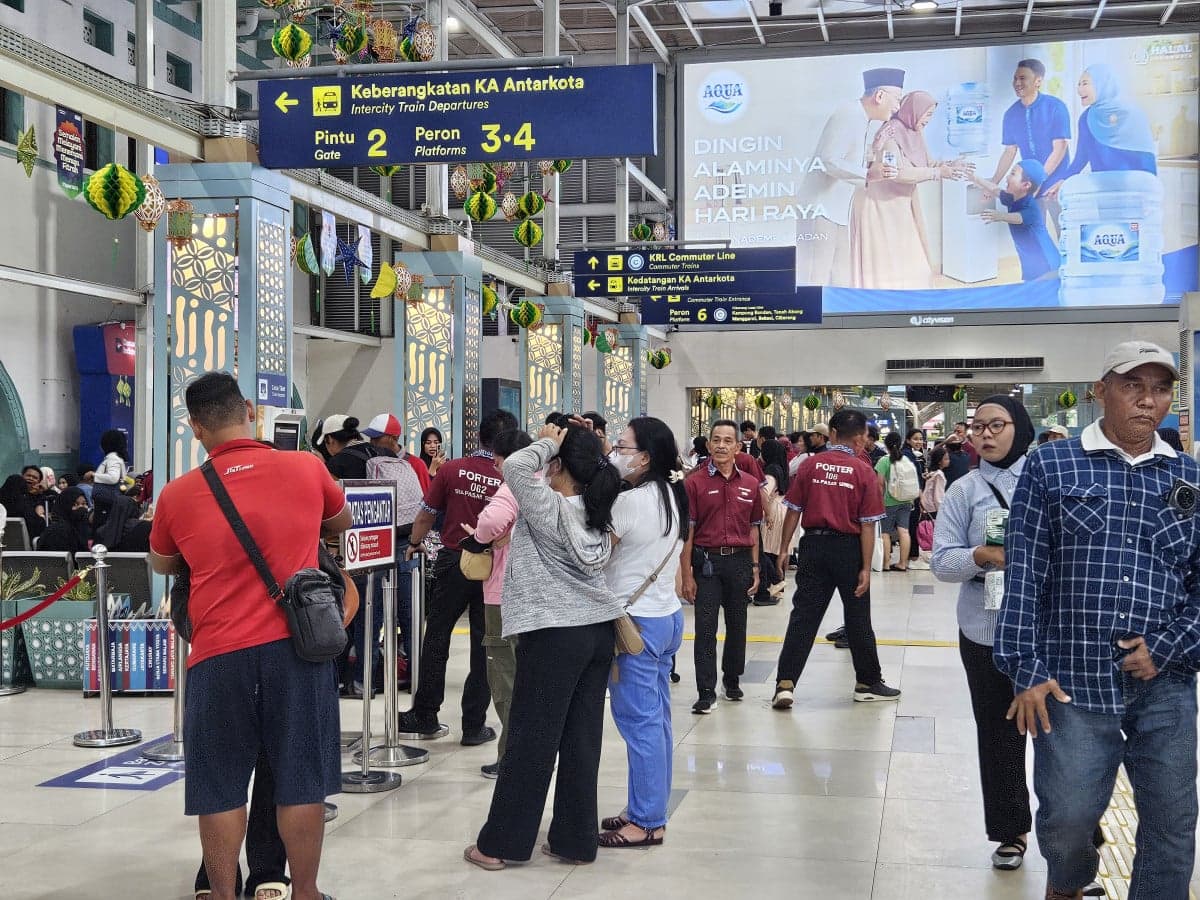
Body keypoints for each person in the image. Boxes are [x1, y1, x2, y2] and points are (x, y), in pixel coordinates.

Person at [996, 341, 1200, 900]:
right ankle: (1069, 883)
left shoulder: (1190, 478)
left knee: (1174, 823)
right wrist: (1025, 668)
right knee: (1065, 822)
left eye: (1159, 389)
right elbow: (1025, 575)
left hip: (1166, 683)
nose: (1147, 401)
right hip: (1071, 680)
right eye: (1133, 386)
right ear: (1100, 389)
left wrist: (1168, 646)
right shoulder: (1051, 465)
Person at [149, 371, 351, 900]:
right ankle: (303, 891)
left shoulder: (177, 494)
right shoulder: (307, 467)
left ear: (195, 428)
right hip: (297, 652)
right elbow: (342, 520)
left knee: (218, 788)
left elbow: (164, 561)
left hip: (216, 657)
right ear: (250, 412)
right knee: (300, 782)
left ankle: (221, 894)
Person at [465, 423, 623, 870]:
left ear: (556, 464)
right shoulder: (597, 510)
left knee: (530, 740)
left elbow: (514, 465)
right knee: (580, 739)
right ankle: (574, 840)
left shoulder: (548, 504)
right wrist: (557, 448)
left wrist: (547, 442)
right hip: (596, 631)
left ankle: (499, 845)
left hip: (554, 636)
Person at [931, 394, 1039, 871]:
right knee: (998, 734)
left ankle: (1074, 819)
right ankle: (1010, 830)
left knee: (1064, 734)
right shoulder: (964, 490)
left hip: (1046, 631)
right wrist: (982, 556)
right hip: (984, 631)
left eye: (998, 424)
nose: (986, 434)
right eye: (978, 427)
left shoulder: (1045, 481)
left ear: (1020, 428)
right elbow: (940, 562)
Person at [399, 409, 517, 743]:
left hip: (453, 561)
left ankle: (425, 715)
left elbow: (426, 514)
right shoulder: (512, 477)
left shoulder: (452, 469)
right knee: (485, 644)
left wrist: (414, 544)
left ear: (478, 436)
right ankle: (473, 724)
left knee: (436, 636)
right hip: (493, 566)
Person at [771, 409, 900, 709]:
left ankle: (785, 684)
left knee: (803, 616)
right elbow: (868, 524)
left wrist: (783, 548)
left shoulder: (810, 465)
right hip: (849, 549)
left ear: (831, 434)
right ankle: (867, 682)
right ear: (859, 439)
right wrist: (866, 568)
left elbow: (793, 509)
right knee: (857, 617)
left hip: (813, 545)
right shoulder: (864, 470)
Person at [600, 417, 688, 849]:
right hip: (666, 617)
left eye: (622, 446)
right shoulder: (673, 494)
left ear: (645, 457)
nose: (616, 454)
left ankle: (649, 820)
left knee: (639, 723)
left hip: (634, 625)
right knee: (657, 721)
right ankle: (644, 807)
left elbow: (594, 554)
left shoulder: (629, 503)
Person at [680, 420, 762, 714]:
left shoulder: (751, 484)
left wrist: (755, 567)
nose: (721, 445)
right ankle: (705, 689)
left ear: (739, 447)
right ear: (709, 445)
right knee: (705, 627)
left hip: (740, 561)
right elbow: (687, 533)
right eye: (716, 440)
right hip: (707, 563)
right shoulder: (694, 483)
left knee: (738, 625)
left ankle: (732, 678)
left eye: (728, 440)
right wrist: (686, 573)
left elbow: (754, 529)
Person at [853, 91, 972, 290]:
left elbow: (927, 162)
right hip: (881, 207)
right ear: (913, 111)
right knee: (894, 262)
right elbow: (897, 173)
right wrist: (938, 173)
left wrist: (951, 165)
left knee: (912, 260)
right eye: (927, 113)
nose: (929, 119)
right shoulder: (891, 134)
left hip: (901, 203)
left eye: (931, 114)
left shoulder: (914, 133)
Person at [468, 427, 533, 779]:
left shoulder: (512, 485)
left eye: (496, 459)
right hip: (535, 594)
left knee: (505, 678)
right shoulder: (546, 482)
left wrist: (480, 538)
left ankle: (511, 758)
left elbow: (491, 520)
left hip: (503, 593)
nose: (494, 466)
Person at [800, 67, 905, 286]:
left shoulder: (861, 118)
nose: (897, 108)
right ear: (879, 96)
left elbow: (847, 158)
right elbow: (828, 160)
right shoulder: (849, 112)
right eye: (897, 100)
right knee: (815, 277)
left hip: (836, 212)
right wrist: (867, 173)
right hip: (820, 210)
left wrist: (874, 149)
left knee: (840, 277)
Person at [312, 415, 380, 696]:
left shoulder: (335, 465)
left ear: (329, 440)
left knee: (343, 617)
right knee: (371, 623)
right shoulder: (375, 453)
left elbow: (329, 513)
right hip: (378, 550)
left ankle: (341, 679)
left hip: (344, 556)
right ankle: (368, 679)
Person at [986, 58, 1073, 232]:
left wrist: (1040, 178)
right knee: (1034, 234)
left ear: (1038, 81)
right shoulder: (1011, 114)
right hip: (1030, 187)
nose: (1017, 83)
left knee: (1066, 232)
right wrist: (994, 181)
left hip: (1057, 184)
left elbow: (1060, 147)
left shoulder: (1055, 107)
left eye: (1023, 78)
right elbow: (1010, 151)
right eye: (1015, 78)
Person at [1046, 63, 1158, 198]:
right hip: (1102, 193)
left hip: (1133, 193)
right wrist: (1062, 181)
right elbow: (1080, 159)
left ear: (1103, 84)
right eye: (1079, 84)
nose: (1079, 89)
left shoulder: (1132, 115)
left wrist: (1150, 195)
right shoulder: (1086, 119)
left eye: (1085, 83)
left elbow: (1146, 159)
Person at [978, 160, 1060, 282]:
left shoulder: (1031, 207)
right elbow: (994, 189)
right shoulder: (1012, 198)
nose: (1007, 177)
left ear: (1026, 185)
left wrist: (999, 216)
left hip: (1048, 265)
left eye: (1012, 174)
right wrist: (974, 177)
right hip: (1032, 265)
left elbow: (1018, 218)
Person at [754, 438, 790, 606]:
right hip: (781, 508)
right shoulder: (781, 468)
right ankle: (776, 584)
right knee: (772, 550)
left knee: (764, 550)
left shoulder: (770, 471)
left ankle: (774, 582)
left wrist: (766, 514)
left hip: (772, 510)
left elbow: (764, 493)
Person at [875, 431, 916, 573]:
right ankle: (903, 563)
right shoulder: (906, 459)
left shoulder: (884, 460)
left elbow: (879, 484)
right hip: (906, 499)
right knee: (904, 531)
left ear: (886, 444)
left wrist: (879, 500)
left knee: (885, 532)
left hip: (889, 501)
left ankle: (886, 564)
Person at [33, 487, 89, 555]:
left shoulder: (85, 528)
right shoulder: (57, 532)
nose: (81, 507)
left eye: (84, 504)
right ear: (64, 506)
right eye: (75, 504)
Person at [1, 472, 46, 539]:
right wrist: (41, 516)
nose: (30, 478)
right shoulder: (23, 507)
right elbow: (39, 526)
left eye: (34, 477)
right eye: (28, 475)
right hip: (21, 547)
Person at [93, 429, 130, 504]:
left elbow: (113, 478)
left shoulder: (113, 459)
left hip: (108, 508)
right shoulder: (117, 458)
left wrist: (93, 475)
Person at [920, 446, 949, 515]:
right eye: (946, 459)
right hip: (933, 508)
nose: (948, 461)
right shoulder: (939, 475)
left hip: (926, 506)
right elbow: (938, 496)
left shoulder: (933, 473)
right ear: (939, 461)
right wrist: (942, 512)